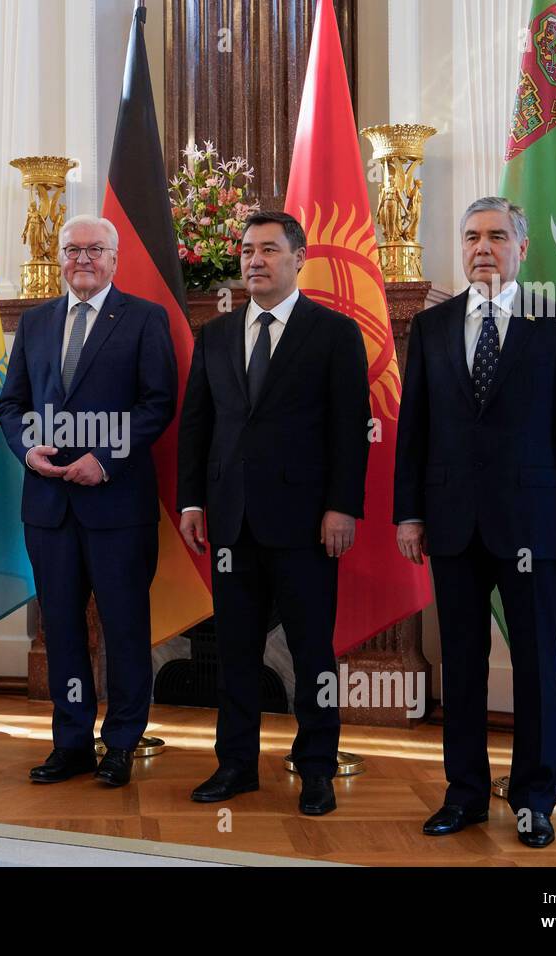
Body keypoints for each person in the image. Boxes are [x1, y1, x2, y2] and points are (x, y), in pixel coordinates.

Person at [394, 196, 556, 848]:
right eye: (471, 236)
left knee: (537, 665)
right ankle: (465, 795)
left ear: (522, 248)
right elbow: (415, 431)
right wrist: (409, 513)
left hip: (534, 525)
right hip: (452, 524)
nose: (482, 248)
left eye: (495, 236)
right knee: (461, 664)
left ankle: (534, 800)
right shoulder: (431, 328)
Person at [177, 210, 370, 815]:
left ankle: (316, 768)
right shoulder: (214, 334)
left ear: (297, 258)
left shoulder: (334, 334)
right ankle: (235, 765)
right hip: (231, 521)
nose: (253, 260)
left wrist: (342, 508)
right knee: (234, 650)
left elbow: (348, 432)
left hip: (308, 523)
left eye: (267, 249)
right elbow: (197, 428)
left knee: (312, 650)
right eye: (246, 250)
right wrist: (191, 501)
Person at [0, 214, 176, 787]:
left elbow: (157, 404)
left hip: (117, 505)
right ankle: (70, 742)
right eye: (71, 250)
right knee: (63, 632)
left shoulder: (145, 319)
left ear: (114, 258)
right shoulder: (36, 322)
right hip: (48, 508)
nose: (82, 259)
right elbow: (11, 404)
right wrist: (29, 450)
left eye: (94, 249)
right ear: (59, 258)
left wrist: (104, 458)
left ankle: (121, 742)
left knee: (125, 630)